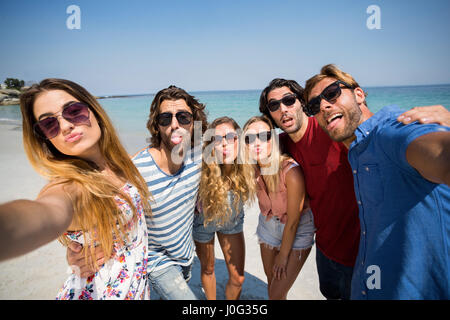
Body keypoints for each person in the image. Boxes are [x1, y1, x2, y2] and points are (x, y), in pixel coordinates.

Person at [259, 77, 450, 300]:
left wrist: (433, 125)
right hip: (326, 248)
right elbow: (246, 151)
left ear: (302, 103)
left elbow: (380, 131)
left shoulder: (333, 129)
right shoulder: (281, 145)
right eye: (274, 105)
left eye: (289, 100)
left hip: (364, 253)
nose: (283, 109)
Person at [0, 79, 152, 300]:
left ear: (94, 111)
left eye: (73, 111)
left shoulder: (121, 165)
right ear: (44, 137)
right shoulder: (72, 187)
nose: (65, 126)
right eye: (49, 124)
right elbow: (48, 211)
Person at [66, 85, 208, 300]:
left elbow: (240, 154)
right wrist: (78, 250)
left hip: (185, 255)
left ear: (194, 123)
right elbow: (96, 207)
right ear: (156, 126)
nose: (175, 125)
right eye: (165, 119)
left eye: (183, 117)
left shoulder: (197, 157)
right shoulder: (136, 170)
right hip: (154, 261)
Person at [241, 115, 315, 300]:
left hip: (297, 228)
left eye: (264, 136)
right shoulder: (251, 168)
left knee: (275, 293)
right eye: (250, 138)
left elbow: (294, 220)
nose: (257, 143)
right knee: (273, 285)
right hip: (268, 224)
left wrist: (283, 255)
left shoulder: (290, 171)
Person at [194, 116, 255, 300]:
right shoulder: (200, 167)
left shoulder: (249, 165)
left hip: (232, 223)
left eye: (230, 137)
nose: (224, 144)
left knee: (238, 278)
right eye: (218, 139)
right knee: (208, 268)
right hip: (204, 223)